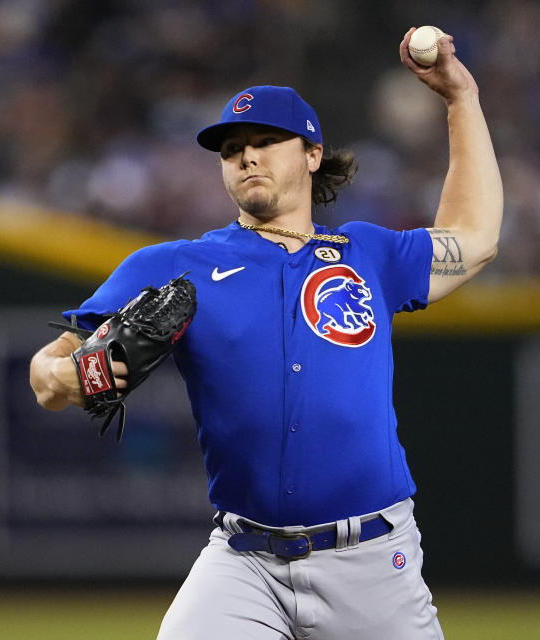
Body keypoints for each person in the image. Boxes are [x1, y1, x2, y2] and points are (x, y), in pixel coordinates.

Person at [30, 27, 502, 640]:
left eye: (266, 141)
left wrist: (461, 99)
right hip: (243, 561)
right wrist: (78, 372)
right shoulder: (174, 266)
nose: (247, 156)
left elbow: (476, 237)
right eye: (232, 149)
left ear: (311, 154)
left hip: (371, 563)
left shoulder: (367, 254)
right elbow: (46, 376)